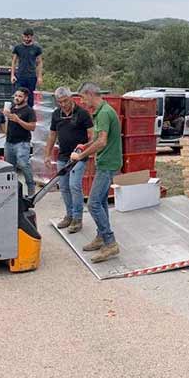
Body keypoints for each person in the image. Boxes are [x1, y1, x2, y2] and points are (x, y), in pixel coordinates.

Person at [70, 82, 122, 263]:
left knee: (92, 204)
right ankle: (101, 236)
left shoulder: (105, 113)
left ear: (91, 94)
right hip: (105, 162)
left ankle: (110, 243)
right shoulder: (101, 112)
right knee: (100, 202)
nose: (83, 102)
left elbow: (102, 142)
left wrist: (81, 155)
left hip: (108, 164)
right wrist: (85, 145)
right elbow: (97, 140)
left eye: (83, 98)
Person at [44, 87, 93, 234]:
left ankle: (77, 218)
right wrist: (47, 155)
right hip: (63, 156)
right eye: (60, 102)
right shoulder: (56, 115)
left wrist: (87, 151)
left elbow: (92, 135)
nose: (63, 104)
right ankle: (69, 215)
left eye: (65, 101)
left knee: (74, 186)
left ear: (71, 98)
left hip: (79, 156)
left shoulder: (82, 114)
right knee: (64, 187)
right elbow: (52, 136)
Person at [3, 87, 37, 195]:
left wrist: (18, 120)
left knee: (23, 164)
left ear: (26, 98)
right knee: (9, 167)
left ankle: (31, 187)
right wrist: (4, 116)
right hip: (9, 142)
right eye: (16, 96)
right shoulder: (11, 108)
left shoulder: (29, 111)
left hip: (22, 143)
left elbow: (32, 127)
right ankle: (12, 191)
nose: (17, 98)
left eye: (20, 96)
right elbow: (5, 126)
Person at [10, 28, 43, 107]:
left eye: (28, 37)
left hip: (31, 76)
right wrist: (12, 75)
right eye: (24, 36)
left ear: (32, 37)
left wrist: (39, 77)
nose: (26, 39)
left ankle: (29, 115)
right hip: (20, 76)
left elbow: (40, 62)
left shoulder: (37, 48)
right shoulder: (18, 48)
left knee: (30, 98)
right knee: (18, 96)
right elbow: (14, 62)